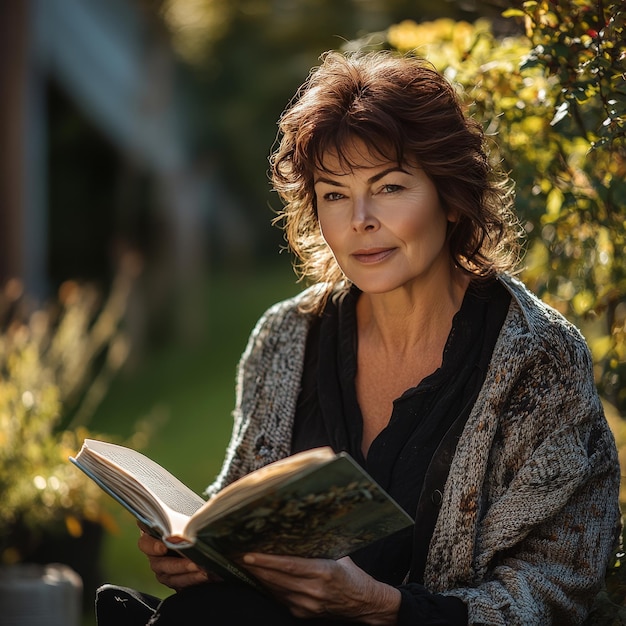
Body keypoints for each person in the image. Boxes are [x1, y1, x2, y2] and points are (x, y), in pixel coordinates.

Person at [95, 50, 621, 625]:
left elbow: (555, 586)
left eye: (390, 187)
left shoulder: (538, 355)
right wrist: (195, 554)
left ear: (449, 195)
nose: (360, 221)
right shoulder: (285, 338)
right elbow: (240, 506)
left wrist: (381, 606)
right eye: (335, 194)